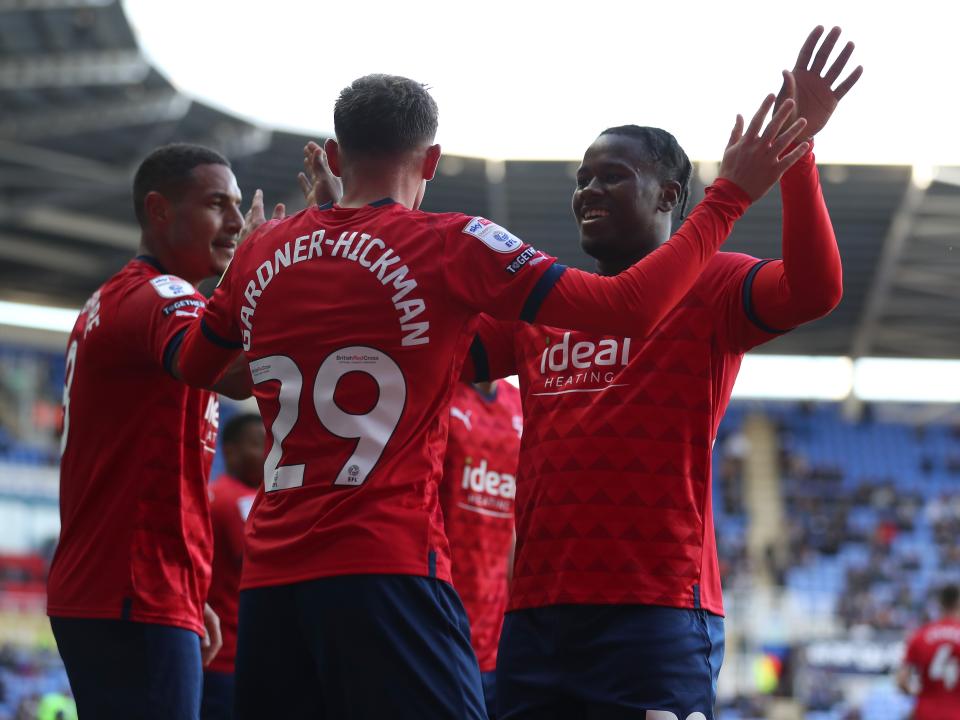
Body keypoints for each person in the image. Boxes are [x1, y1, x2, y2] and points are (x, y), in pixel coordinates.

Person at [174, 73, 809, 718]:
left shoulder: (260, 254)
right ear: (431, 163)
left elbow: (207, 368)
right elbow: (631, 306)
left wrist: (312, 255)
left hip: (276, 581)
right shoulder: (452, 243)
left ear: (334, 158)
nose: (587, 192)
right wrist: (730, 195)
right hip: (390, 566)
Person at [461, 26, 860, 719]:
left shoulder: (709, 287)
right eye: (582, 178)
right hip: (535, 615)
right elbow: (434, 354)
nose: (587, 190)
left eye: (611, 174)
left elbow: (815, 289)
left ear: (669, 195)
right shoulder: (543, 305)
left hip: (654, 613)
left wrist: (796, 157)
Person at [46, 143, 265, 719]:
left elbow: (228, 376)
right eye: (218, 204)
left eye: (239, 206)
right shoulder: (159, 296)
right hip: (133, 590)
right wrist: (265, 271)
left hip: (134, 589)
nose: (238, 223)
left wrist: (191, 594)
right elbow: (230, 375)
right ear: (159, 211)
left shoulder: (119, 298)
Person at [440, 380, 523, 719]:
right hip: (442, 616)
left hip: (498, 632)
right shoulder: (441, 392)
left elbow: (516, 523)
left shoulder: (518, 403)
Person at [201, 413, 264, 720]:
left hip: (218, 654)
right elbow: (262, 565)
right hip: (231, 656)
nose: (267, 453)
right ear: (230, 451)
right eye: (257, 444)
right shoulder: (235, 500)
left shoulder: (213, 494)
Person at [898, 584, 960, 718]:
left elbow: (901, 680)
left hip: (925, 711)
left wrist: (920, 694)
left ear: (940, 604)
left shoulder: (920, 635)